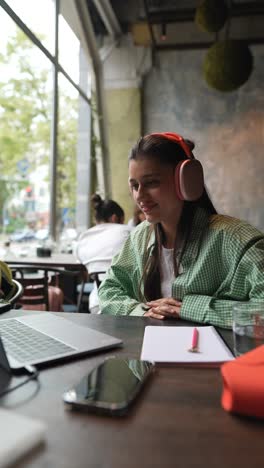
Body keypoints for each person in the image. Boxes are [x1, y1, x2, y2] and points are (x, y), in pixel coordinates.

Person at [98, 132, 264, 329]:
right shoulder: (139, 237)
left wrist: (188, 307)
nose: (140, 195)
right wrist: (142, 311)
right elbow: (109, 290)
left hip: (218, 358)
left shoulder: (235, 239)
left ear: (186, 180)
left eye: (151, 182)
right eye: (134, 185)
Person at [75, 194, 132, 313]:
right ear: (115, 218)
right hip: (130, 304)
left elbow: (80, 264)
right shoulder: (129, 232)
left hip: (97, 303)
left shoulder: (84, 237)